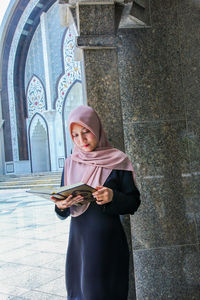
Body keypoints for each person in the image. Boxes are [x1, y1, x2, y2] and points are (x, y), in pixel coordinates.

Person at [53, 105, 140, 300]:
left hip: (108, 243)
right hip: (79, 243)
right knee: (80, 293)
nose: (82, 140)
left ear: (96, 129)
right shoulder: (70, 163)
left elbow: (134, 202)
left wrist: (113, 197)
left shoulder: (118, 160)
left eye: (86, 132)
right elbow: (61, 210)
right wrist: (61, 206)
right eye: (75, 135)